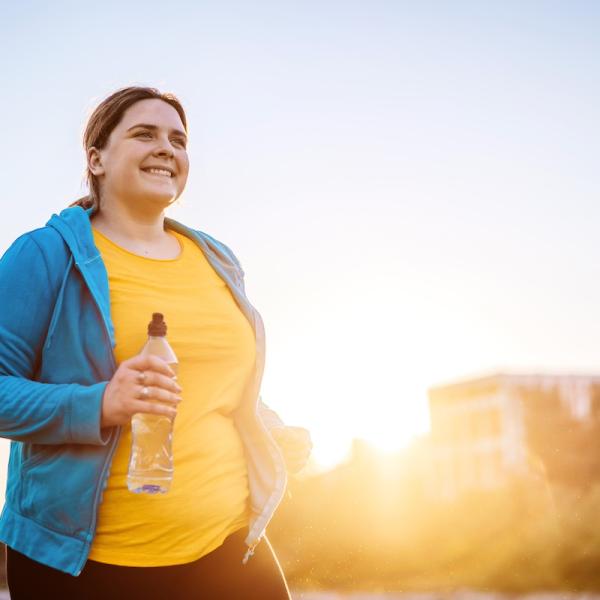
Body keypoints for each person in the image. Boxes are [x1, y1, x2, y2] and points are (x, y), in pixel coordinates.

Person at [0, 86, 312, 599]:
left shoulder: (217, 259)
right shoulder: (45, 254)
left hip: (227, 546)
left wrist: (270, 429)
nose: (166, 147)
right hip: (84, 564)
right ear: (96, 160)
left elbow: (218, 384)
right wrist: (99, 403)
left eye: (178, 138)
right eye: (144, 134)